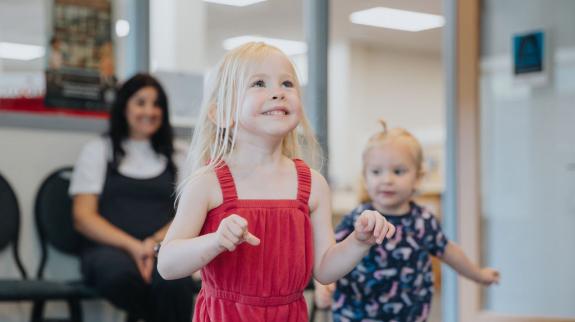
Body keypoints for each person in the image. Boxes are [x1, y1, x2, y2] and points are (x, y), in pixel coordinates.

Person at [157, 42, 396, 322]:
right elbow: (167, 264)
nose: (278, 93)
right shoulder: (208, 183)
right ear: (221, 113)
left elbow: (324, 268)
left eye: (287, 83)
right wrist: (215, 241)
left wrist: (358, 241)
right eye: (259, 83)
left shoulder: (313, 185)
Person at [314, 119, 500, 322]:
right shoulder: (357, 219)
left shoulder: (424, 221)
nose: (387, 180)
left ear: (418, 177)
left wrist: (478, 275)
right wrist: (322, 284)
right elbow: (327, 255)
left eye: (398, 171)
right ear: (365, 178)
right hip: (356, 314)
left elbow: (449, 251)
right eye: (376, 172)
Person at [69, 73, 196, 322]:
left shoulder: (180, 154)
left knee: (175, 283)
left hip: (162, 247)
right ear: (124, 107)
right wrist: (134, 247)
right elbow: (83, 217)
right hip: (110, 249)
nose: (150, 111)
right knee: (122, 279)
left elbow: (190, 213)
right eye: (141, 102)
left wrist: (153, 243)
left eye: (156, 104)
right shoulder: (98, 151)